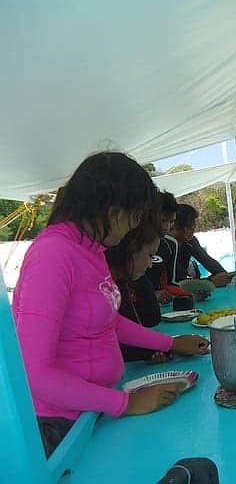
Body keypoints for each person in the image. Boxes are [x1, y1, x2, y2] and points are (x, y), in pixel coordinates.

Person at [13, 152, 210, 457]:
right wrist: (125, 403)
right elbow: (35, 372)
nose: (133, 228)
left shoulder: (92, 251)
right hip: (61, 426)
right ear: (113, 211)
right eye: (134, 217)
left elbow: (108, 321)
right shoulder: (53, 255)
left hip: (94, 410)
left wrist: (170, 343)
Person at [106, 208, 171, 364]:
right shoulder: (104, 282)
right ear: (132, 248)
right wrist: (169, 346)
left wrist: (161, 348)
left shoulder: (122, 280)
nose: (150, 265)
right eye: (150, 256)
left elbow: (151, 318)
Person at [168, 204, 232, 287]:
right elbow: (174, 283)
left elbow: (208, 261)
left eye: (194, 226)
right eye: (191, 227)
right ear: (176, 226)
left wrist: (227, 277)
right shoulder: (166, 246)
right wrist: (210, 281)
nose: (193, 230)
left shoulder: (190, 242)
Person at [146, 191, 188, 302]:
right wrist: (151, 296)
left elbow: (170, 282)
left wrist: (190, 293)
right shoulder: (132, 243)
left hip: (159, 305)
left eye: (171, 221)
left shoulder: (170, 245)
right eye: (163, 221)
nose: (167, 226)